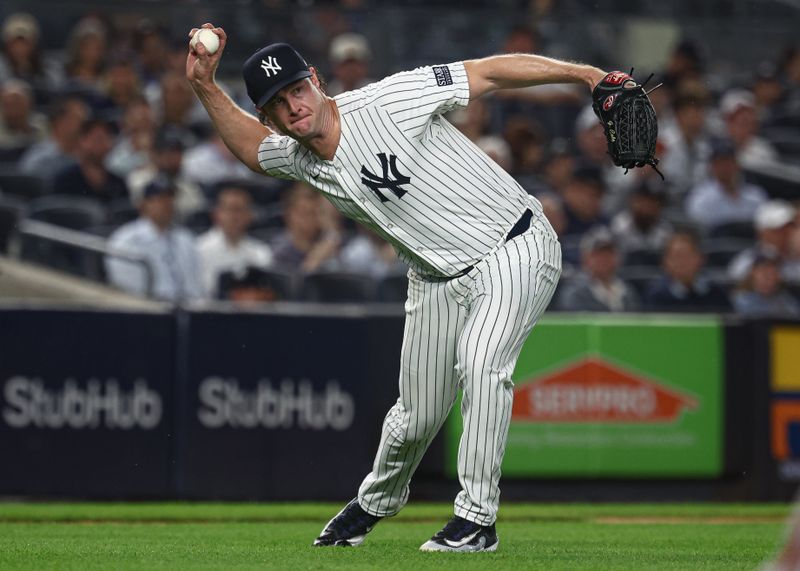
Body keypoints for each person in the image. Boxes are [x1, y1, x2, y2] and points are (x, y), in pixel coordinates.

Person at [186, 23, 606, 552]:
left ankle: (476, 519)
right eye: (278, 103)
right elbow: (251, 149)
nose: (294, 106)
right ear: (271, 116)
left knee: (480, 363)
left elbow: (487, 72)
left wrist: (584, 74)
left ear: (315, 80)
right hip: (432, 277)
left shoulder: (389, 100)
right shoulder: (300, 157)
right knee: (415, 418)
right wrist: (204, 86)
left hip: (513, 244)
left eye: (297, 88)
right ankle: (373, 503)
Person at [106, 178, 204, 302]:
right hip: (147, 312)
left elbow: (195, 287)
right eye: (160, 199)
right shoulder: (126, 240)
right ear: (143, 205)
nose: (167, 204)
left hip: (188, 310)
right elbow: (128, 290)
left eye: (170, 198)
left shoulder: (185, 238)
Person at [196, 185, 274, 298]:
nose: (234, 217)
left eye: (240, 210)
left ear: (249, 216)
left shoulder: (261, 252)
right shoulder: (199, 249)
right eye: (230, 209)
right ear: (216, 214)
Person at [685, 137, 767, 232]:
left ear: (737, 164)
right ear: (711, 167)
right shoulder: (700, 199)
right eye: (719, 163)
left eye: (728, 162)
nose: (724, 168)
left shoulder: (756, 196)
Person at [558, 226, 641, 312]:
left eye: (609, 254)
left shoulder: (628, 292)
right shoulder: (574, 293)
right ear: (586, 258)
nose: (604, 259)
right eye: (598, 255)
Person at [645, 230, 731, 313]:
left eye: (687, 255)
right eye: (677, 256)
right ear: (665, 262)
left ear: (700, 258)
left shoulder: (716, 293)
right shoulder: (656, 297)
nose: (682, 262)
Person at [51, 117, 128, 203]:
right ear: (81, 141)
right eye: (97, 139)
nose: (102, 144)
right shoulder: (64, 181)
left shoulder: (118, 183)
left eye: (106, 138)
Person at [270, 182, 342, 273]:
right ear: (288, 215)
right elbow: (292, 285)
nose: (310, 219)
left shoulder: (325, 243)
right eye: (304, 213)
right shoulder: (280, 250)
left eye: (314, 214)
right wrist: (316, 259)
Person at [728, 200, 800, 284]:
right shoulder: (748, 261)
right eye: (778, 230)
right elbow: (737, 280)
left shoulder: (795, 257)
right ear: (762, 233)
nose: (785, 233)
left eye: (789, 227)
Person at [19, 96, 88, 180]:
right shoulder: (39, 159)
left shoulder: (92, 156)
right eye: (78, 119)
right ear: (60, 122)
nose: (84, 125)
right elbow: (27, 183)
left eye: (84, 120)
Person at [732, 249, 800, 317]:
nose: (767, 278)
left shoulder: (787, 303)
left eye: (772, 273)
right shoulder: (737, 302)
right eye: (763, 272)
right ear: (752, 273)